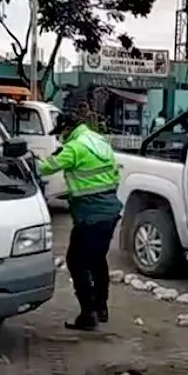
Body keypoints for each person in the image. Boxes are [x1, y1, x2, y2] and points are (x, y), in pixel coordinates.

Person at [39, 110, 123, 331]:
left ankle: (88, 315)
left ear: (68, 128)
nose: (60, 138)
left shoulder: (74, 148)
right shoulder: (98, 140)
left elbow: (45, 167)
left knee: (76, 262)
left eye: (61, 133)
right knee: (97, 259)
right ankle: (101, 308)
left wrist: (28, 162)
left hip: (90, 214)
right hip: (110, 210)